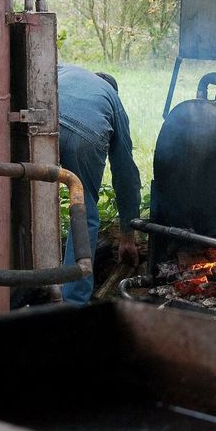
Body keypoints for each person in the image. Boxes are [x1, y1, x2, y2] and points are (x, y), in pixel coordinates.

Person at [57, 64, 141, 304]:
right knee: (84, 213)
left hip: (41, 119)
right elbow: (125, 174)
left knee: (30, 196)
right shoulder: (113, 99)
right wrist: (127, 236)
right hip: (83, 135)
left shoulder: (67, 70)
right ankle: (73, 303)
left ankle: (24, 285)